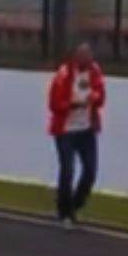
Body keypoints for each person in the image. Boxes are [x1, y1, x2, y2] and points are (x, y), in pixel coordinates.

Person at [47, 42, 106, 229]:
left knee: (90, 170)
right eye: (84, 56)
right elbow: (54, 103)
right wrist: (72, 104)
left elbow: (101, 95)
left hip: (86, 129)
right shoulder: (64, 74)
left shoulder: (94, 71)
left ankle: (76, 205)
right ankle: (64, 211)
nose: (88, 60)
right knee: (68, 170)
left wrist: (94, 98)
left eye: (90, 56)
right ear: (76, 57)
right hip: (66, 130)